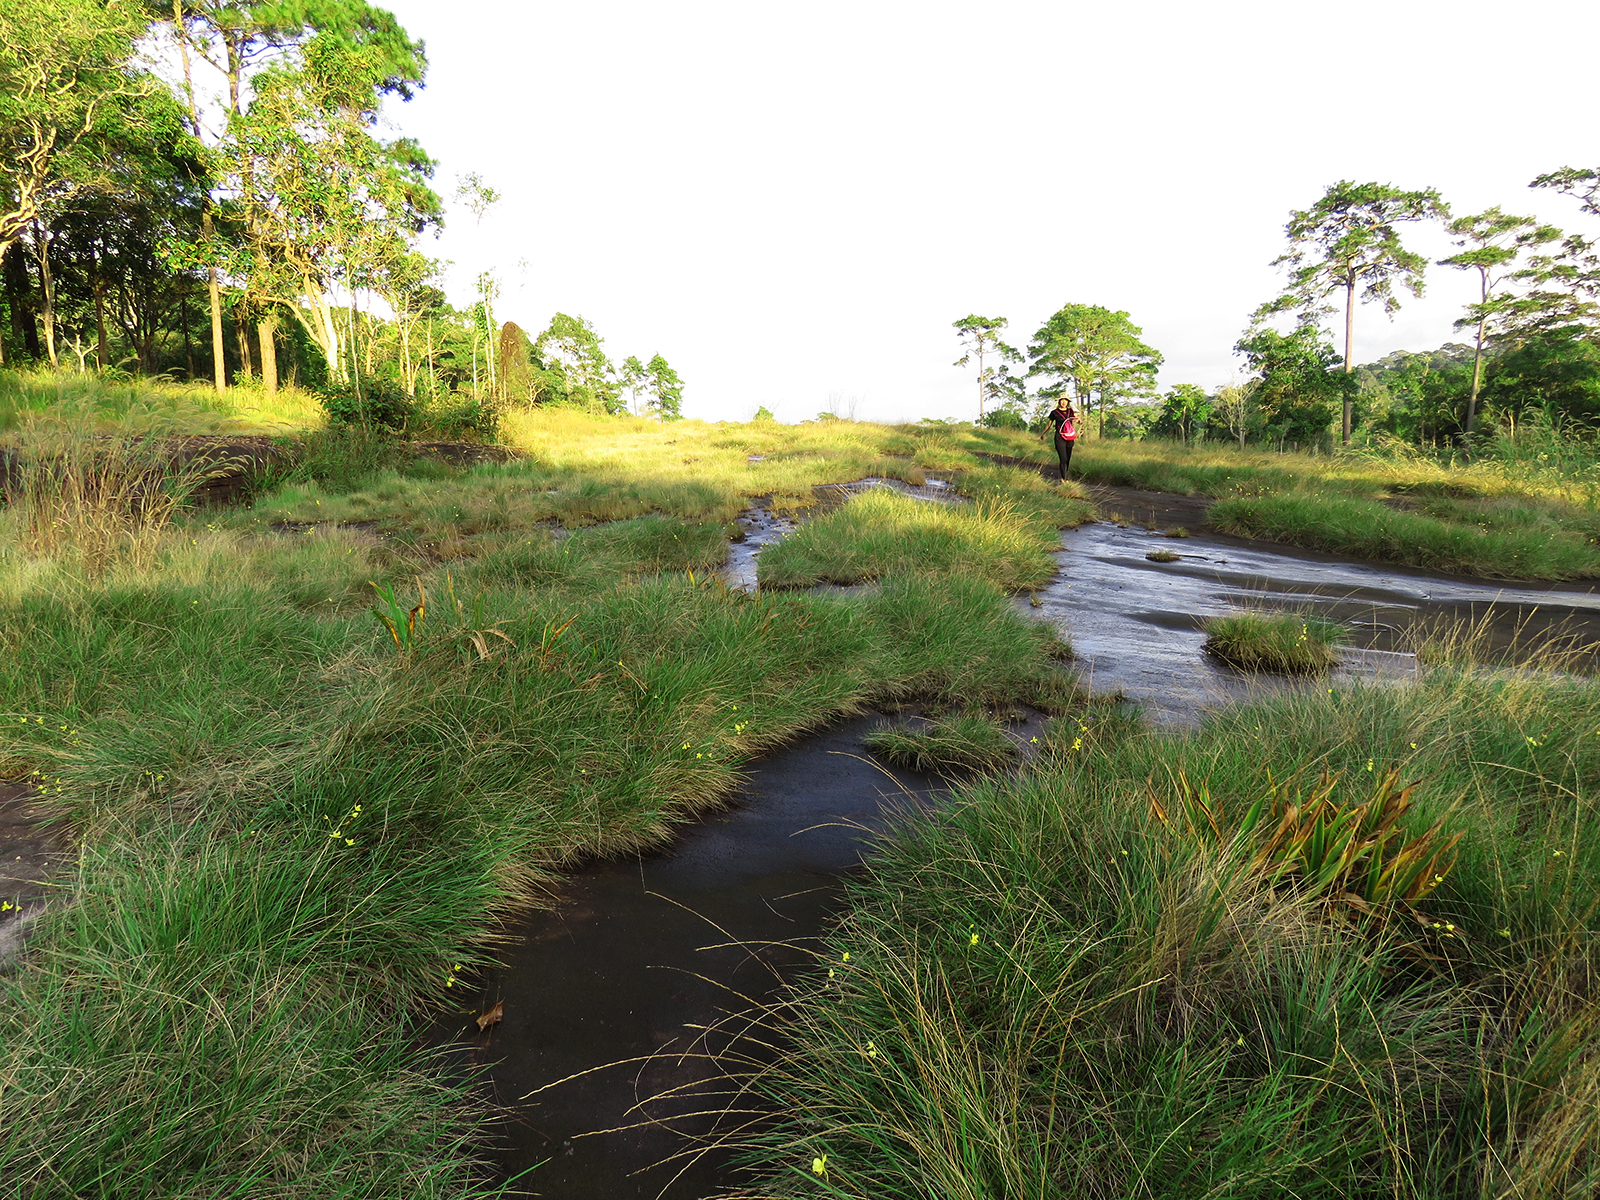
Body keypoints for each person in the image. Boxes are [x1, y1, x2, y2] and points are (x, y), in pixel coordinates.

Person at [1041, 397, 1077, 481]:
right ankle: (1063, 478)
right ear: (1059, 401)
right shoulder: (1054, 412)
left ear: (1068, 402)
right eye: (1062, 400)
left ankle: (1065, 474)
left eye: (1065, 400)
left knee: (1068, 458)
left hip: (1069, 436)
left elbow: (1075, 419)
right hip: (1059, 436)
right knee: (1063, 458)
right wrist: (1043, 433)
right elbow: (1049, 424)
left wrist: (1078, 421)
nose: (1063, 402)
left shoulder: (1070, 411)